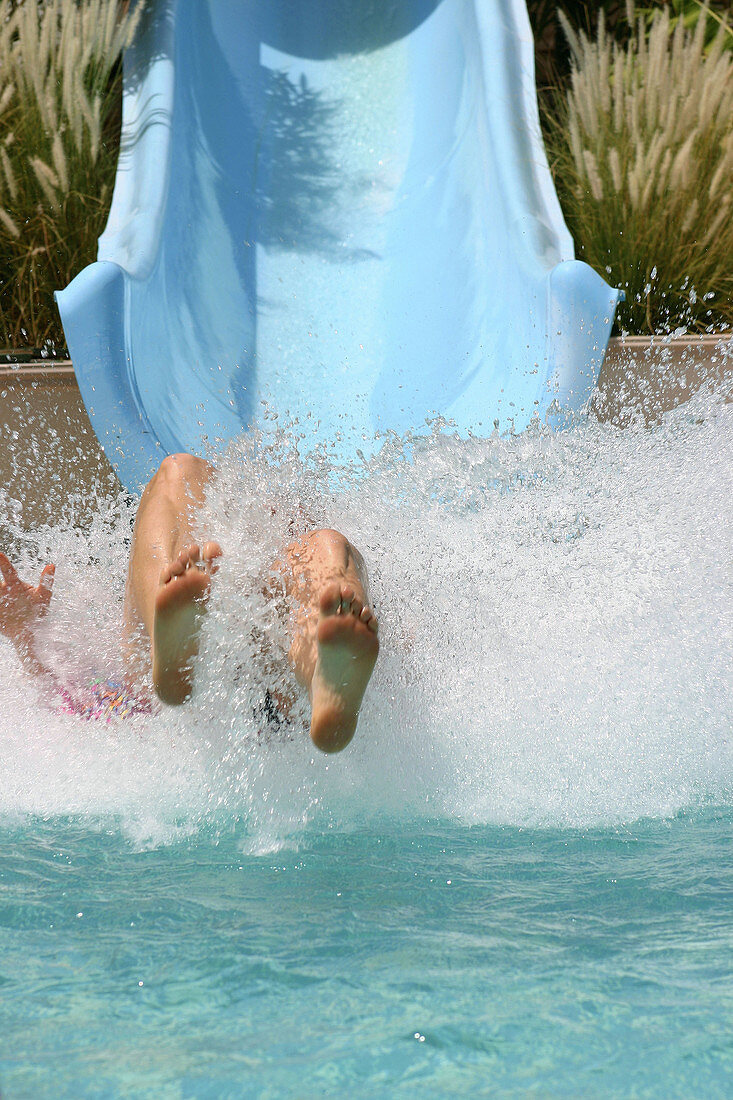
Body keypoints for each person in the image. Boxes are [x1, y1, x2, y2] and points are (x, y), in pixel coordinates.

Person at [0, 453, 379, 752]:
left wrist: (26, 642)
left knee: (177, 472)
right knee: (326, 546)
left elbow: (65, 709)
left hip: (186, 707)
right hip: (283, 708)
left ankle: (322, 674)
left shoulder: (114, 701)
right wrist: (24, 637)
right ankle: (324, 679)